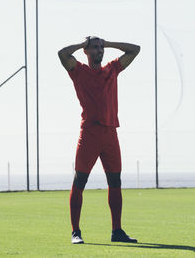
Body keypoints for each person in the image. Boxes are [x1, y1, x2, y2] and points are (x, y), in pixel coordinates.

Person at [58, 36, 140, 244]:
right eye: (94, 48)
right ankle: (75, 232)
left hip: (111, 133)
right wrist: (81, 44)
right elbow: (62, 54)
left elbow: (135, 49)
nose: (99, 50)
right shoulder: (78, 71)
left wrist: (109, 43)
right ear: (86, 51)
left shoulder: (112, 69)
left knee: (115, 181)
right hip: (90, 134)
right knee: (80, 181)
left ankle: (117, 231)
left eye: (100, 47)